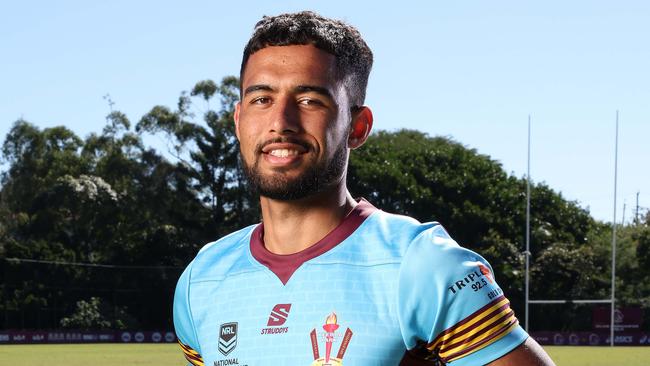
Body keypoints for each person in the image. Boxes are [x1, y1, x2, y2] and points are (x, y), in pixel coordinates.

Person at [173, 11, 556, 366]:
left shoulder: (422, 265)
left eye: (309, 100)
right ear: (239, 121)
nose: (281, 122)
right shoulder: (201, 280)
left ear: (357, 127)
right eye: (261, 99)